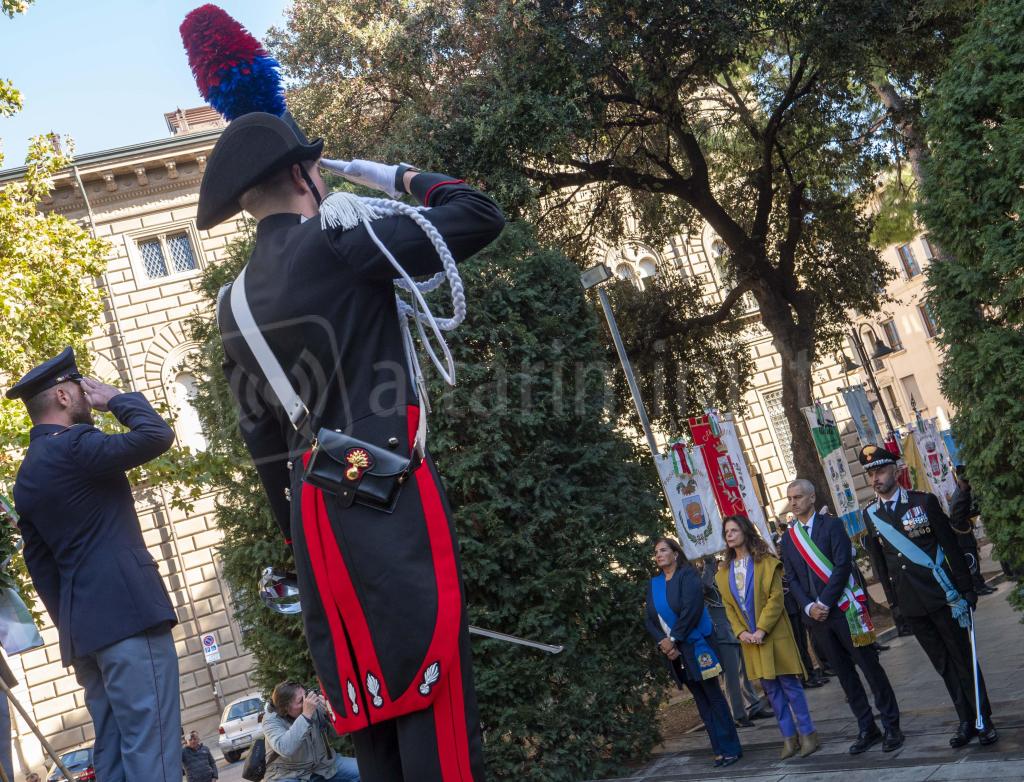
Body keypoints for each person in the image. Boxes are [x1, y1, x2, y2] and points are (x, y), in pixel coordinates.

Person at [200, 106, 504, 780]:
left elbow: (260, 435)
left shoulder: (232, 305)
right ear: (301, 175)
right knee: (434, 690)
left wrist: (293, 531)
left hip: (316, 512)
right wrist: (392, 175)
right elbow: (478, 214)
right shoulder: (341, 239)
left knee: (368, 703)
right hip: (385, 484)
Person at [6, 348, 180, 780]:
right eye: (81, 388)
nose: (90, 395)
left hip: (86, 634)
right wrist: (117, 399)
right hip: (129, 619)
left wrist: (75, 625)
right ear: (63, 396)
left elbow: (41, 567)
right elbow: (156, 435)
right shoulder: (77, 445)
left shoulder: (26, 476)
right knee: (152, 747)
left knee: (115, 755)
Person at [859, 445, 997, 748]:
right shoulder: (870, 514)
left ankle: (982, 719)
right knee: (943, 664)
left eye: (880, 471)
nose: (875, 478)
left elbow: (950, 546)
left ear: (895, 470)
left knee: (963, 659)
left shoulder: (922, 502)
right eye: (870, 474)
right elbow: (881, 564)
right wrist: (895, 605)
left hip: (942, 595)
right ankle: (965, 721)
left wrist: (967, 588)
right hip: (912, 603)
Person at [780, 479, 903, 754]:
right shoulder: (789, 538)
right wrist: (809, 607)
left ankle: (892, 725)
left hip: (845, 611)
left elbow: (842, 565)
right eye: (790, 498)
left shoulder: (832, 526)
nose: (793, 502)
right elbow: (792, 578)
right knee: (845, 676)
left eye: (798, 497)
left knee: (870, 668)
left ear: (812, 498)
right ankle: (867, 727)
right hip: (817, 619)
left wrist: (824, 601)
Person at [716, 515, 819, 759]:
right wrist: (742, 632)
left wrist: (761, 629)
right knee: (770, 690)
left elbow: (776, 598)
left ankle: (808, 734)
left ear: (745, 532)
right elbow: (729, 607)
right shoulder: (723, 573)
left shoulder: (767, 562)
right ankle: (789, 738)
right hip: (750, 640)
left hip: (773, 633)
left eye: (734, 530)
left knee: (790, 685)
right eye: (726, 531)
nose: (729, 534)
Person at [645, 538, 743, 768]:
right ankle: (718, 749)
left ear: (675, 553)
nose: (659, 555)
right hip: (675, 653)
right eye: (656, 552)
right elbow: (648, 618)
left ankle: (731, 748)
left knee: (713, 696)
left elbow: (691, 610)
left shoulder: (687, 576)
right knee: (700, 699)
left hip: (697, 646)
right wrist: (663, 642)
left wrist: (673, 640)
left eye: (663, 550)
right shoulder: (654, 584)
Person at [697, 556, 771, 726]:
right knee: (731, 677)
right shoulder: (699, 576)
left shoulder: (721, 574)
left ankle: (754, 706)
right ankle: (738, 714)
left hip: (736, 629)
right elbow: (704, 587)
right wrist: (708, 563)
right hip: (721, 633)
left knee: (745, 671)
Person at [263, 682, 360, 782]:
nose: (307, 702)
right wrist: (306, 715)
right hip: (288, 773)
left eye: (306, 696)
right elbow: (285, 748)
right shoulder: (271, 720)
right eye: (301, 701)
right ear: (285, 708)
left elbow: (339, 734)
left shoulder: (315, 707)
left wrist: (331, 714)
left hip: (324, 766)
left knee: (364, 770)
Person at [949, 465, 995, 595]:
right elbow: (956, 517)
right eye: (966, 482)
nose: (969, 484)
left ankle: (981, 584)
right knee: (972, 562)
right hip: (962, 535)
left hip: (965, 532)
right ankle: (978, 587)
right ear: (960, 481)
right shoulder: (960, 496)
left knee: (974, 560)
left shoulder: (963, 493)